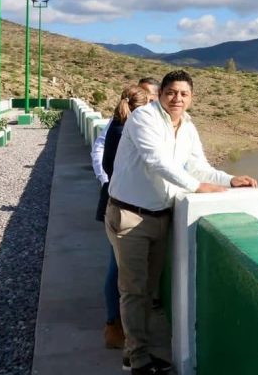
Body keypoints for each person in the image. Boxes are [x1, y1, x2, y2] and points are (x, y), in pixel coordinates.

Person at [106, 70, 257, 375]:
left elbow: (198, 165)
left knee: (148, 291)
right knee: (134, 290)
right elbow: (156, 161)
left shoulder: (187, 126)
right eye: (172, 92)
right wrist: (197, 187)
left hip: (160, 217)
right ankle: (138, 360)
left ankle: (133, 353)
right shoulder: (144, 118)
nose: (177, 98)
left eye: (184, 94)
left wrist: (229, 180)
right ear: (161, 93)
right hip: (130, 216)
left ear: (192, 98)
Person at [93, 78, 159, 350]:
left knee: (121, 269)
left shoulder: (120, 125)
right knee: (120, 270)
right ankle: (117, 327)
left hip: (116, 203)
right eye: (151, 100)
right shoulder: (127, 130)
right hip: (124, 208)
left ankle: (118, 326)